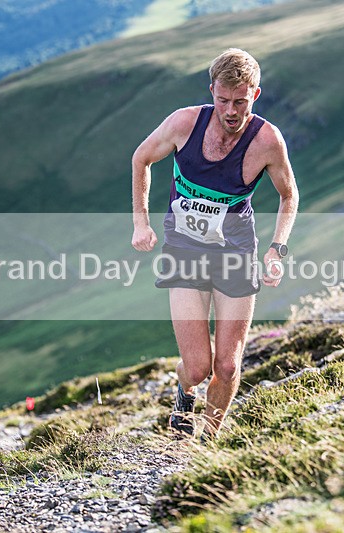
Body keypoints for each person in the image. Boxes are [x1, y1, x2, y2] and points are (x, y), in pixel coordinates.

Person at [131, 48, 299, 440]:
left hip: (236, 254)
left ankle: (206, 441)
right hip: (184, 251)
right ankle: (184, 394)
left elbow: (289, 195)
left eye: (240, 101)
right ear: (212, 91)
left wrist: (278, 250)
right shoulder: (185, 123)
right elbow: (141, 158)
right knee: (196, 368)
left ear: (254, 96)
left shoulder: (267, 141)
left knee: (227, 366)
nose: (230, 111)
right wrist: (141, 223)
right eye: (222, 100)